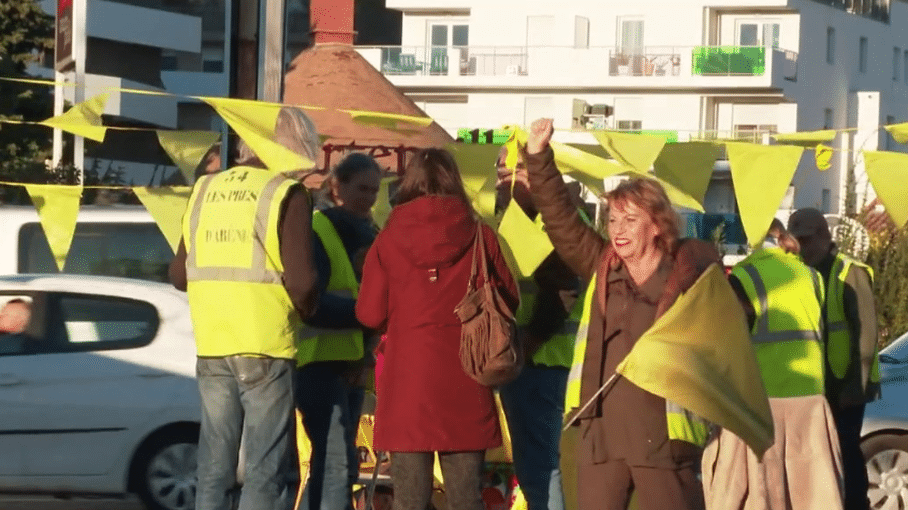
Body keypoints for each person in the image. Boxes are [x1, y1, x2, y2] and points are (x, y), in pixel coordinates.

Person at [523, 118, 716, 510]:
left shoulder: (686, 276)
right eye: (612, 219)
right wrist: (538, 158)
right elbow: (561, 220)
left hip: (663, 435)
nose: (618, 229)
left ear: (657, 225)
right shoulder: (602, 265)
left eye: (631, 220)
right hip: (602, 433)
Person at [169, 107, 321, 510]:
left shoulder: (203, 189)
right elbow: (303, 281)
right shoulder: (285, 193)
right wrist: (310, 311)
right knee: (263, 469)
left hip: (213, 342)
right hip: (266, 344)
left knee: (214, 467)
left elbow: (177, 274)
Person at [355, 148, 519, 510]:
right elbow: (509, 299)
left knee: (409, 501)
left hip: (406, 384)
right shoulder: (479, 233)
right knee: (465, 499)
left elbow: (368, 314)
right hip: (467, 374)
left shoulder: (387, 239)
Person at [706, 219, 843, 510]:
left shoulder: (744, 275)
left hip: (763, 400)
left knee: (761, 494)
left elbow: (730, 337)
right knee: (810, 493)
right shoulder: (812, 275)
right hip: (811, 400)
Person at [295, 152, 382, 510]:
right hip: (318, 362)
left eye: (374, 190)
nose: (369, 197)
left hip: (353, 360)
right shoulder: (318, 229)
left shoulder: (373, 233)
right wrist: (368, 316)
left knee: (339, 464)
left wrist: (365, 355)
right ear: (336, 186)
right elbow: (313, 304)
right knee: (335, 462)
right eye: (361, 188)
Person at [495, 147, 581, 510]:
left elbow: (563, 290)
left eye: (514, 170)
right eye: (499, 169)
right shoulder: (563, 221)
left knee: (540, 469)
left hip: (539, 361)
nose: (503, 178)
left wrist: (526, 344)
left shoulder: (544, 224)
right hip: (557, 361)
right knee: (553, 466)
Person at [788, 207, 878, 510]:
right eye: (795, 240)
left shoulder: (847, 271)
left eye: (807, 239)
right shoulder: (799, 274)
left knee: (846, 454)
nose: (801, 247)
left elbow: (866, 334)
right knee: (819, 458)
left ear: (825, 236)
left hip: (846, 386)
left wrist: (855, 387)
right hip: (814, 386)